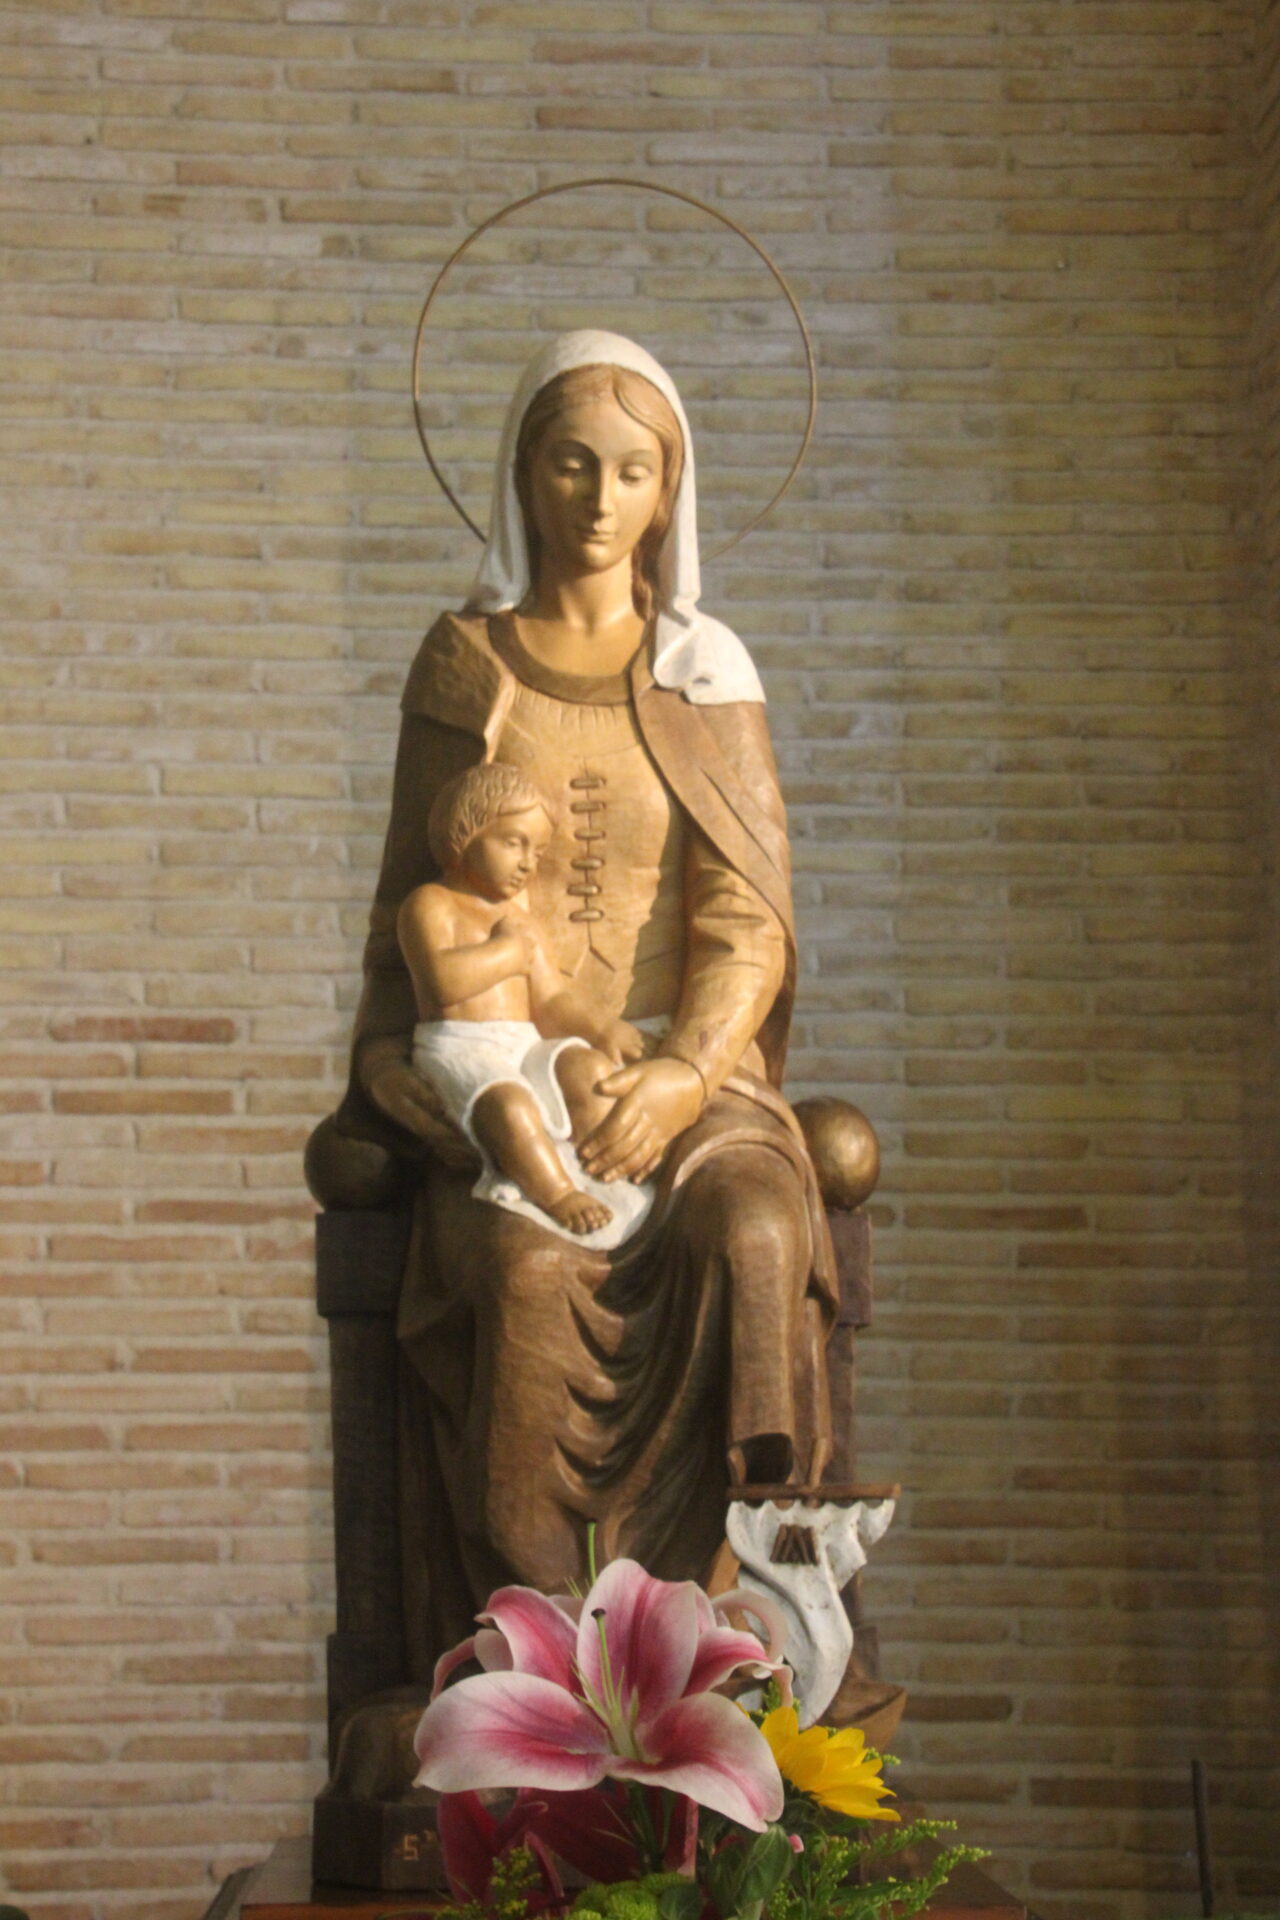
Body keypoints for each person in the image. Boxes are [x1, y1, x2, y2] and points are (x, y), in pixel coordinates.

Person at [334, 329, 839, 1676]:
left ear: (671, 489)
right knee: (521, 1268)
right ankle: (537, 1659)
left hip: (691, 1086)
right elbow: (405, 911)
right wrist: (404, 1070)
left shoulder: (705, 674)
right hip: (503, 1071)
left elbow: (745, 921)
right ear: (523, 475)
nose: (600, 500)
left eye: (632, 470)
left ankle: (747, 1638)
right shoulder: (466, 665)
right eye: (570, 464)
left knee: (754, 1227)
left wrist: (680, 1075)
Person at [401, 761, 653, 1245]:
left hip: (522, 1042)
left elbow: (551, 1000)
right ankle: (557, 1194)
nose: (527, 863)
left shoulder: (522, 919)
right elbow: (441, 982)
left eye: (537, 851)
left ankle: (606, 1172)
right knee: (510, 1106)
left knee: (591, 1072)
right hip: (461, 1048)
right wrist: (508, 952)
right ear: (464, 834)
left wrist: (600, 1030)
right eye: (513, 843)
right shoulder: (431, 903)